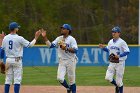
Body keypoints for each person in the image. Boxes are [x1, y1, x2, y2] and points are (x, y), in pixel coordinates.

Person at [0, 22, 41, 93]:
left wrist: (1, 61)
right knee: (17, 80)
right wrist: (36, 37)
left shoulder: (5, 38)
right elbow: (30, 45)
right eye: (17, 27)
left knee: (8, 80)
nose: (18, 28)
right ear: (15, 29)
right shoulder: (19, 38)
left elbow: (2, 50)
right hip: (17, 60)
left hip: (8, 60)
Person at [41, 24, 78, 93]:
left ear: (68, 30)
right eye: (62, 28)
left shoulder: (72, 39)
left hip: (71, 61)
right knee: (60, 78)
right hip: (62, 61)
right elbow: (51, 46)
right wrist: (45, 37)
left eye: (63, 29)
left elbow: (76, 50)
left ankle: (72, 90)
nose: (62, 30)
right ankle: (68, 88)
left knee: (72, 80)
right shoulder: (59, 38)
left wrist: (66, 48)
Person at [99, 26, 130, 93]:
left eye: (115, 32)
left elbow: (127, 51)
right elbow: (109, 50)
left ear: (119, 33)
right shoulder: (110, 41)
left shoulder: (122, 42)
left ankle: (119, 88)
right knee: (108, 78)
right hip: (112, 62)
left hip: (120, 63)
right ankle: (117, 86)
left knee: (119, 82)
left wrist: (119, 56)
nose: (113, 33)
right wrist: (103, 48)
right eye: (112, 32)